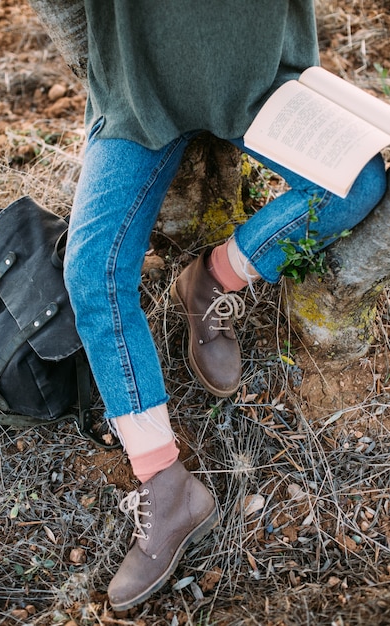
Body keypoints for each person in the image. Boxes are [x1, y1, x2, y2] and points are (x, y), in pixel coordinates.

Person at [63, 1, 387, 612]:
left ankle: (212, 278)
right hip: (139, 91)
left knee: (359, 185)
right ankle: (166, 485)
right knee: (91, 273)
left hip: (259, 85)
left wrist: (228, 265)